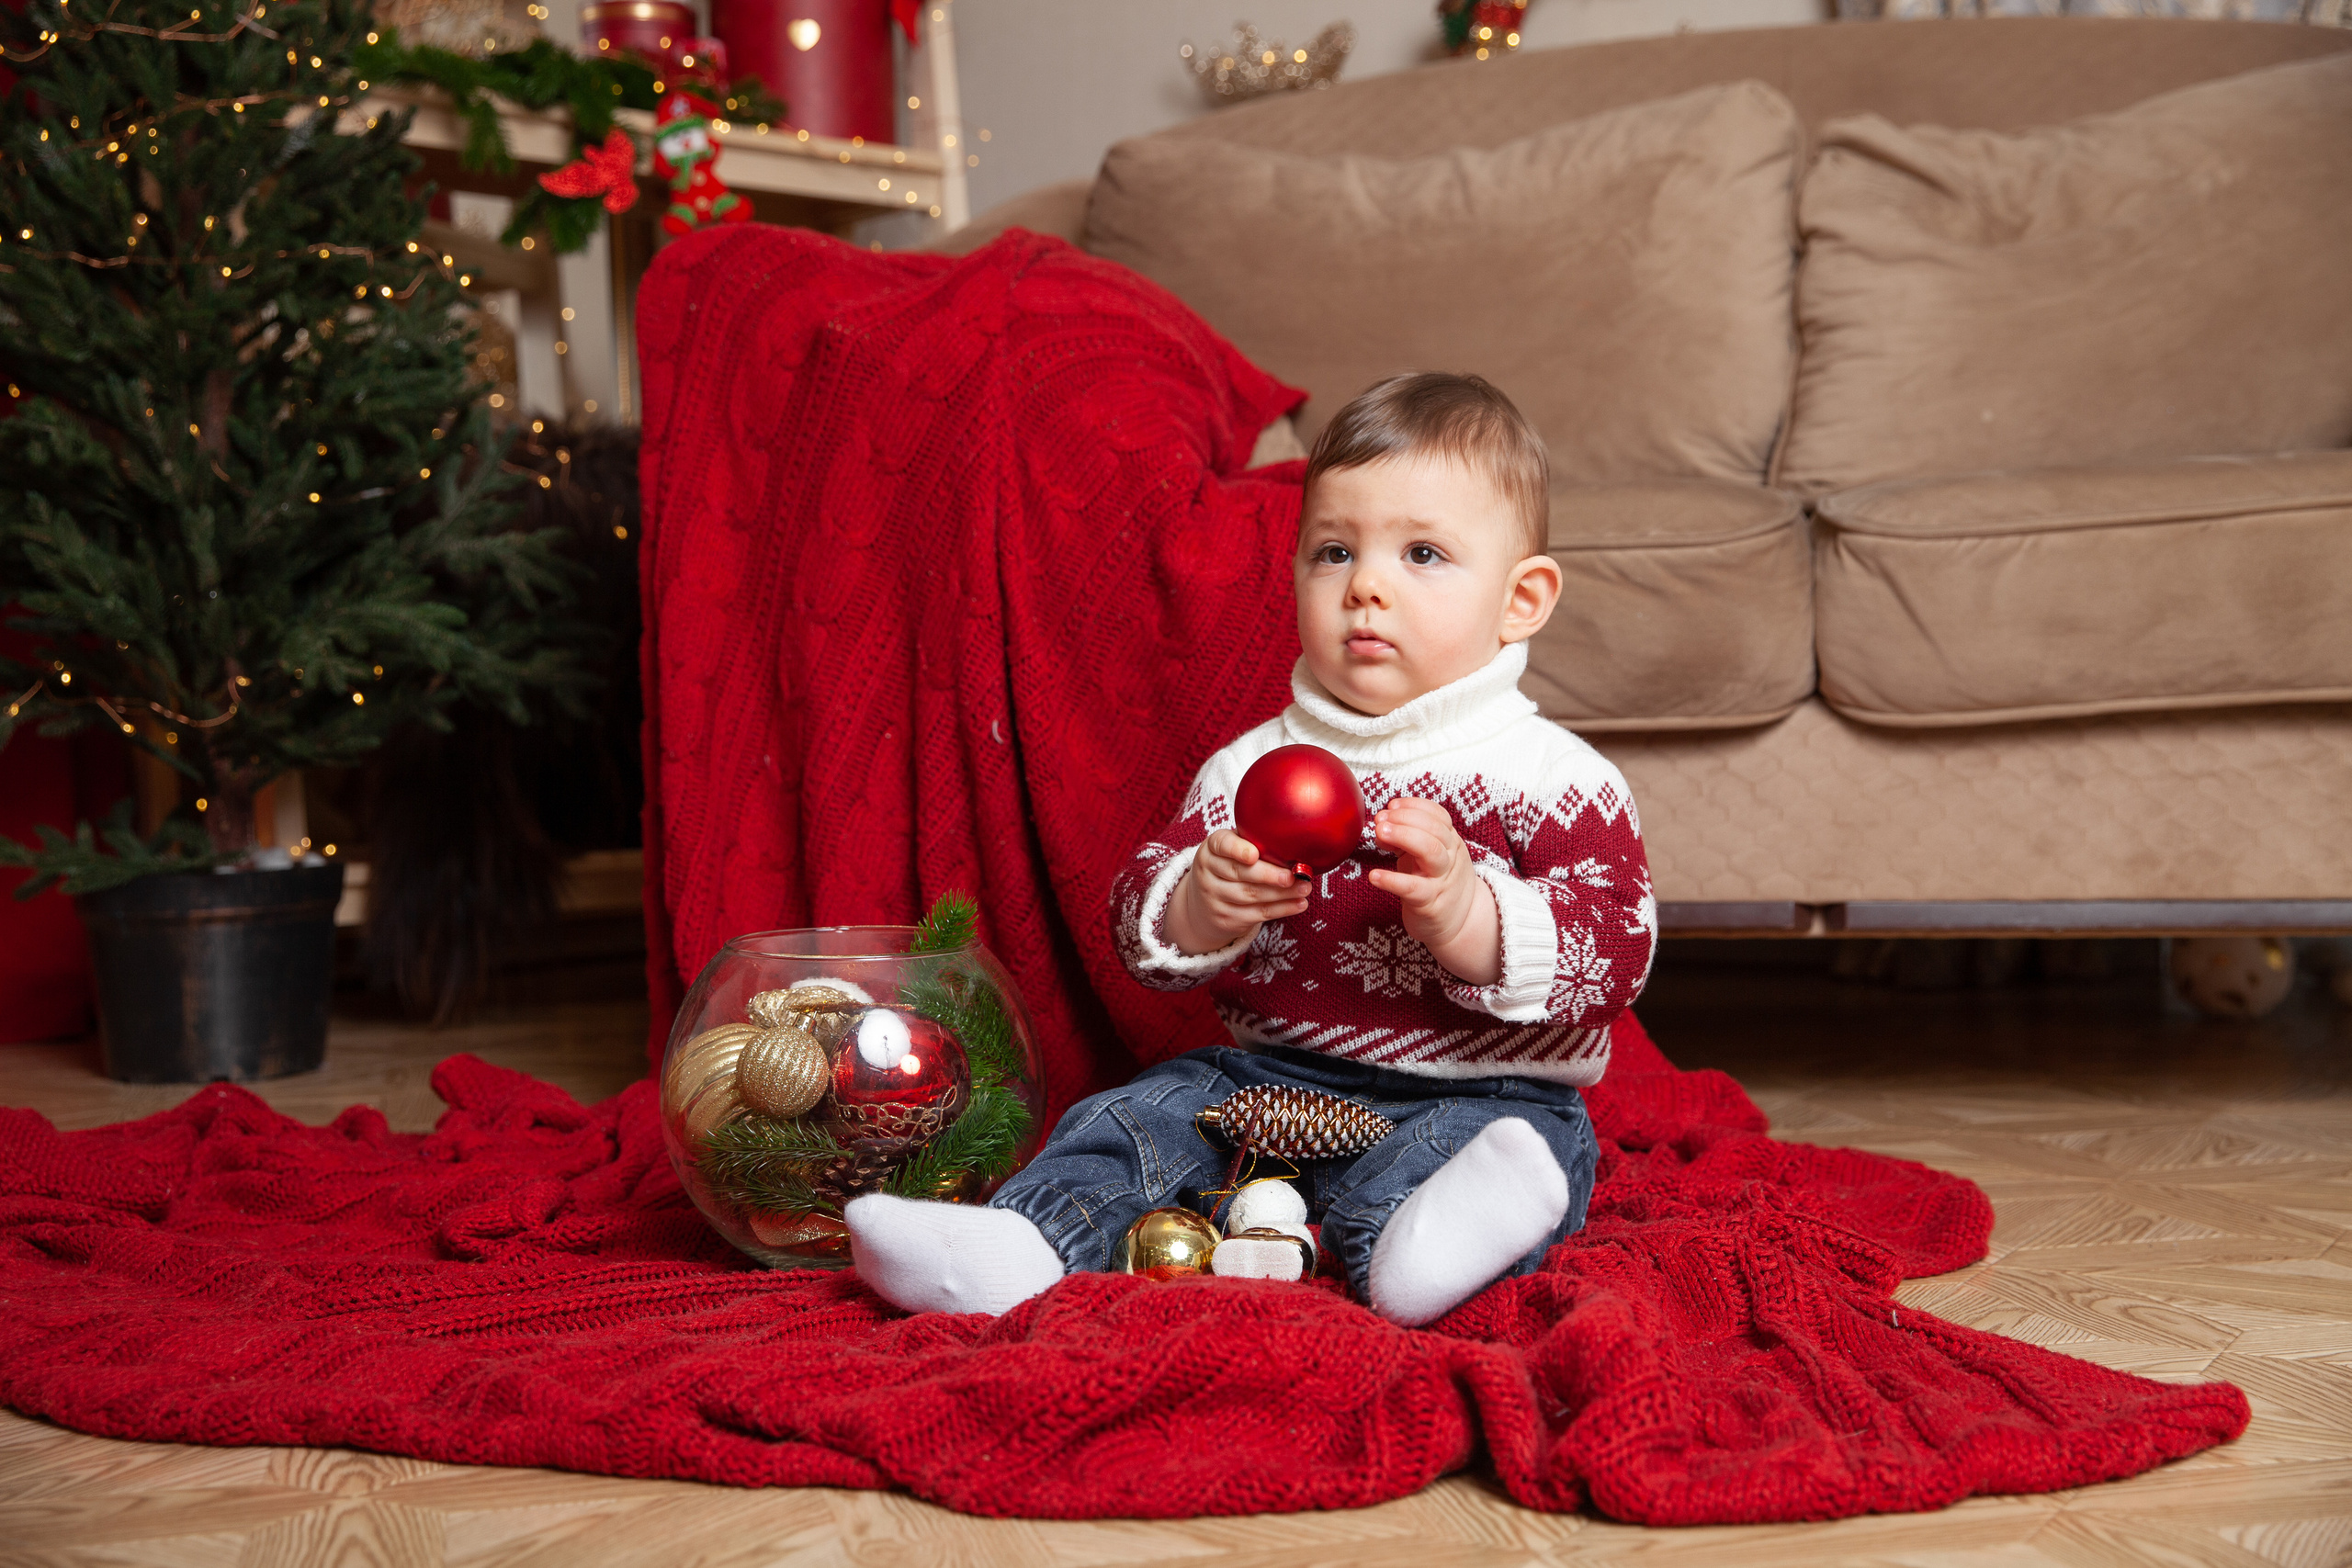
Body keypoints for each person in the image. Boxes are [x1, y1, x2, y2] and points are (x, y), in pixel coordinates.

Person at [845, 371, 1656, 1324]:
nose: (1365, 586)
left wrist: (1472, 916)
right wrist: (1201, 904)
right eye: (1335, 551)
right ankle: (1023, 1242)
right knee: (1139, 1113)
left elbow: (1617, 951)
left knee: (1515, 1148)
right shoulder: (1252, 766)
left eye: (1423, 553)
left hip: (1484, 1088)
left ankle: (1419, 1245)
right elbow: (1140, 923)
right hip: (1274, 1080)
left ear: (1521, 599)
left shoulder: (1554, 778)